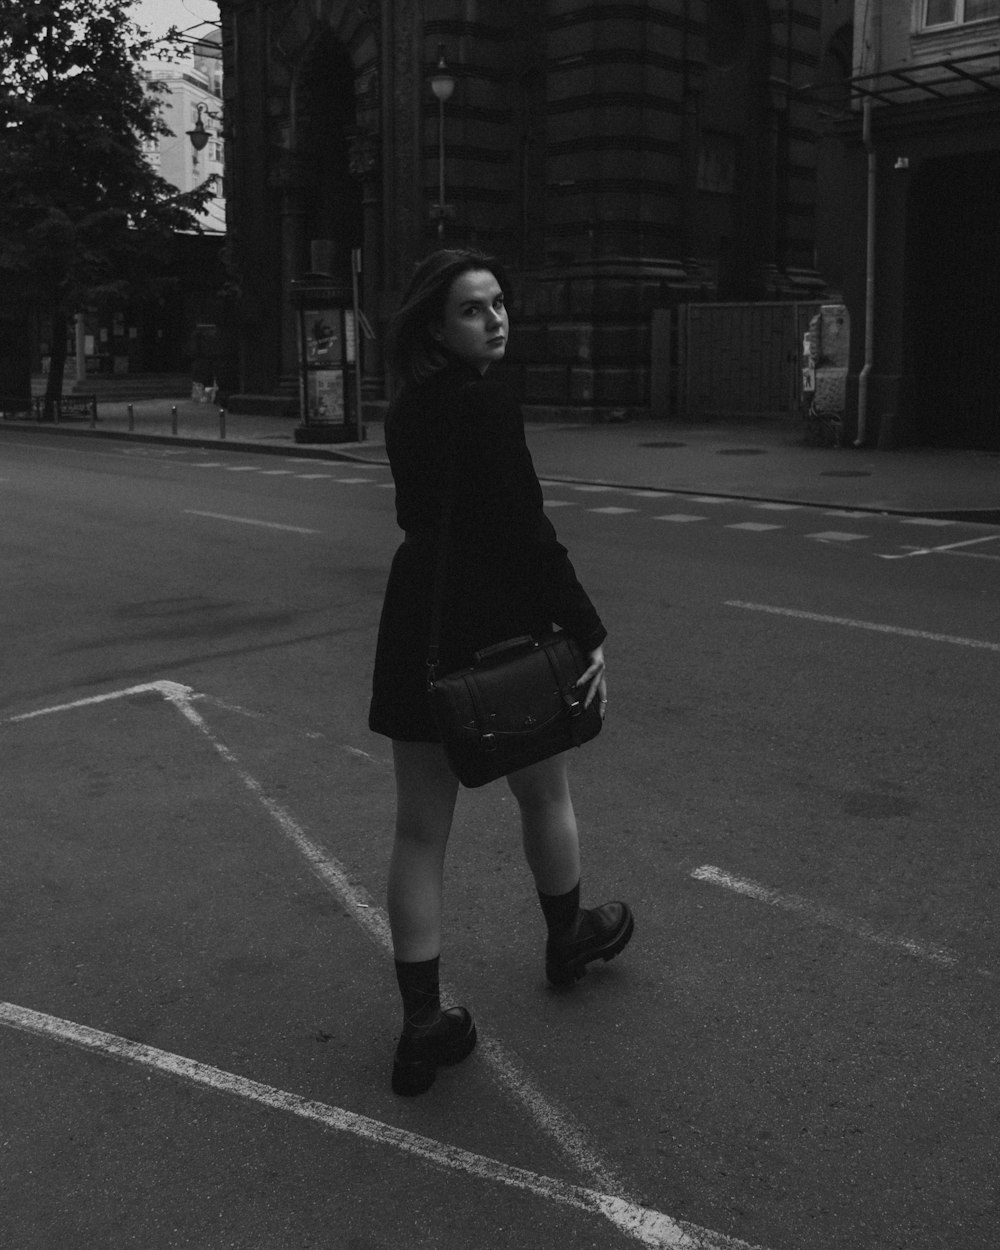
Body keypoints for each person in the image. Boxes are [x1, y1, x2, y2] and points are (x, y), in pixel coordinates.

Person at [369, 249, 634, 1097]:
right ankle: (569, 938)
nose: (496, 319)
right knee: (544, 793)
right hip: (498, 623)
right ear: (438, 327)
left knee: (419, 831)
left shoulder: (409, 404)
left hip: (422, 618)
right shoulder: (487, 402)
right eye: (474, 310)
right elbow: (526, 529)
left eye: (498, 302)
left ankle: (422, 1029)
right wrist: (587, 628)